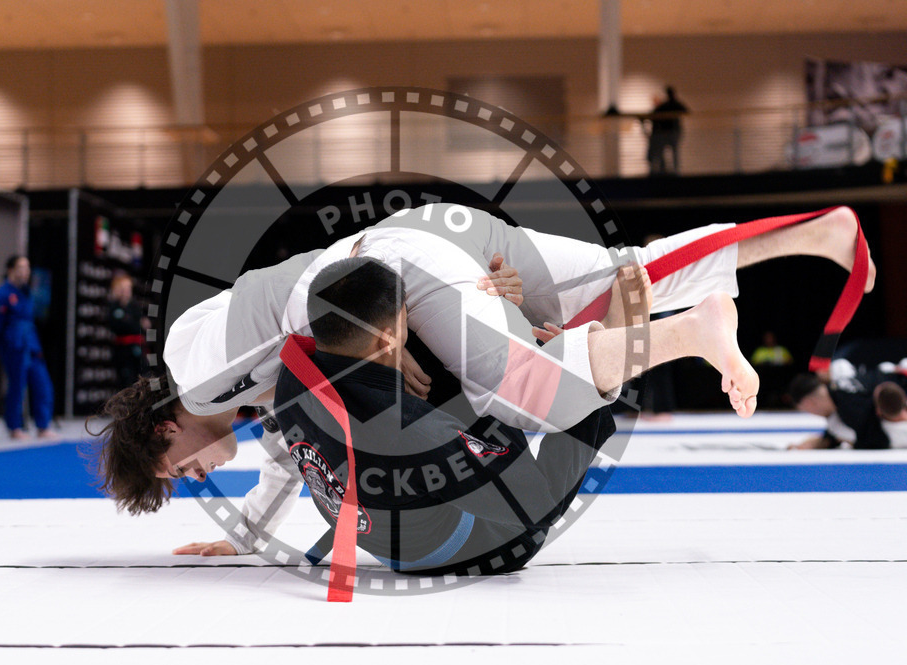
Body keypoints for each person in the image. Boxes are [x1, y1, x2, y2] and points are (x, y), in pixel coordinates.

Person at [90, 203, 874, 558]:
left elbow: (314, 297)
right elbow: (289, 443)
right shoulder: (224, 387)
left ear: (163, 429)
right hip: (429, 239)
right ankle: (820, 234)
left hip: (395, 266)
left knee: (527, 397)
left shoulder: (198, 371)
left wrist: (386, 333)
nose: (195, 476)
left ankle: (689, 333)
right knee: (626, 273)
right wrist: (248, 533)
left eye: (177, 470)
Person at [273, 257, 613, 574]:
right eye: (405, 314)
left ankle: (487, 307)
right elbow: (540, 507)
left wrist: (483, 302)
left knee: (446, 340)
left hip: (383, 525)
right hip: (484, 544)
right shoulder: (423, 434)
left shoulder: (291, 376)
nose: (409, 318)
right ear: (387, 340)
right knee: (494, 367)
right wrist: (581, 381)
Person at [0, 255, 57, 440]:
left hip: (32, 346)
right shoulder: (1, 294)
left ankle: (43, 426)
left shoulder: (27, 293)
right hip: (14, 347)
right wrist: (3, 347)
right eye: (21, 267)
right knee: (17, 387)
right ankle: (14, 427)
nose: (26, 272)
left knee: (43, 385)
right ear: (10, 270)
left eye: (27, 268)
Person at [788, 368, 907, 450]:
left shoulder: (848, 409)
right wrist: (826, 440)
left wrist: (849, 442)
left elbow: (878, 441)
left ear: (809, 403)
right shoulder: (840, 385)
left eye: (806, 410)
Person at [107, 273, 149, 389]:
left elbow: (142, 325)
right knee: (126, 380)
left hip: (137, 350)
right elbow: (118, 325)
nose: (127, 291)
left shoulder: (135, 306)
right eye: (124, 288)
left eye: (128, 288)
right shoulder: (114, 307)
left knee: (142, 377)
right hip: (122, 352)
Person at [645, 86, 689, 175]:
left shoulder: (669, 105)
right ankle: (670, 170)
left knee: (668, 152)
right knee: (671, 152)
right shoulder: (674, 104)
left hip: (669, 132)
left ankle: (670, 170)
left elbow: (686, 111)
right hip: (669, 132)